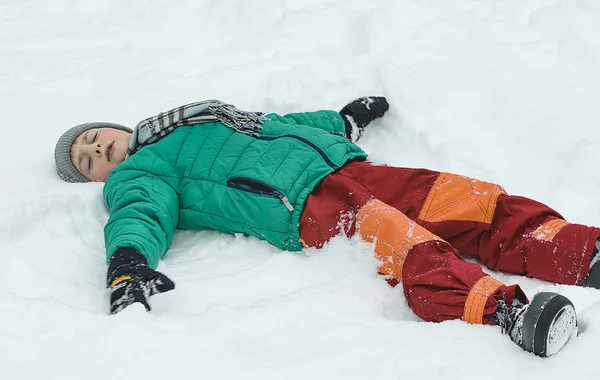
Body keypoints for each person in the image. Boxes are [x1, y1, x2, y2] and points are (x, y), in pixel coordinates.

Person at [54, 97, 600, 357]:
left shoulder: (189, 116)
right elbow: (140, 211)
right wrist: (128, 259)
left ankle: (582, 254)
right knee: (401, 244)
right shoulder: (141, 172)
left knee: (468, 200)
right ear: (95, 177)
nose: (94, 149)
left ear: (110, 124)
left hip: (347, 165)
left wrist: (341, 121)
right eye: (85, 159)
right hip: (303, 204)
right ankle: (504, 311)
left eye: (90, 137)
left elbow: (276, 126)